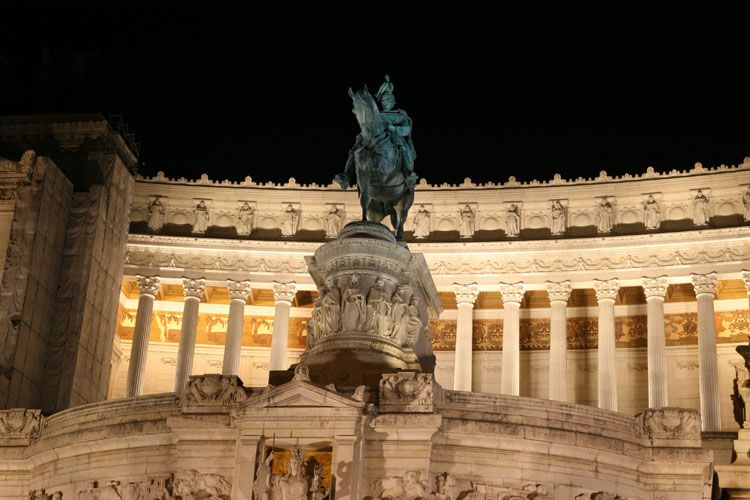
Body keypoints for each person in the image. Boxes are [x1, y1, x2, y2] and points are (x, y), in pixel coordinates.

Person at [375, 75, 418, 188]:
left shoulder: (400, 114)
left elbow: (407, 129)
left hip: (396, 140)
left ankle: (409, 174)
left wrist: (394, 129)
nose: (387, 102)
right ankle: (348, 175)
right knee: (359, 151)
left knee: (404, 149)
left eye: (389, 100)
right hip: (377, 140)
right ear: (382, 102)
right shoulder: (376, 115)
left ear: (394, 102)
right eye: (384, 100)